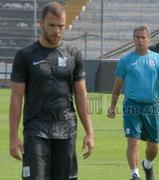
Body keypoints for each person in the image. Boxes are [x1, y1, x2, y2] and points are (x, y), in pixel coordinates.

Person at [9, 2, 94, 180]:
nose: (57, 31)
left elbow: (81, 95)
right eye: (52, 25)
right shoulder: (25, 56)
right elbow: (16, 98)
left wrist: (89, 132)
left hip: (67, 130)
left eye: (61, 26)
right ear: (41, 24)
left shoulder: (73, 54)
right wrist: (13, 137)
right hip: (36, 130)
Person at [107, 26, 159, 180]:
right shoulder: (125, 61)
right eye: (137, 37)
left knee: (153, 146)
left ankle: (147, 164)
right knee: (132, 142)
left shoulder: (158, 59)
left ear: (149, 39)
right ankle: (134, 174)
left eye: (143, 37)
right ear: (133, 39)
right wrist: (112, 106)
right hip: (132, 105)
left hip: (151, 107)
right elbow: (117, 86)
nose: (140, 40)